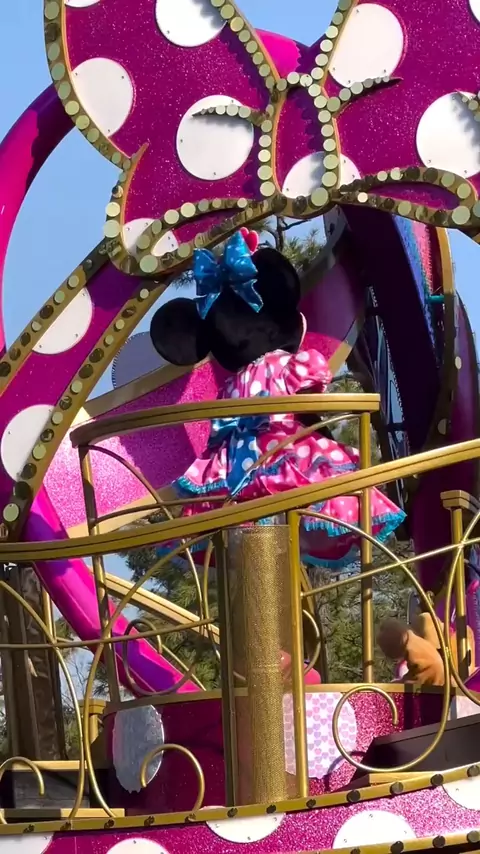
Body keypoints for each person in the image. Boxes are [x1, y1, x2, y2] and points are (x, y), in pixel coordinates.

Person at [150, 229, 405, 569]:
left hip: (251, 461)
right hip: (269, 455)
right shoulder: (277, 370)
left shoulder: (239, 383)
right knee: (282, 513)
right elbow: (314, 387)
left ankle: (268, 572)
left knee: (258, 519)